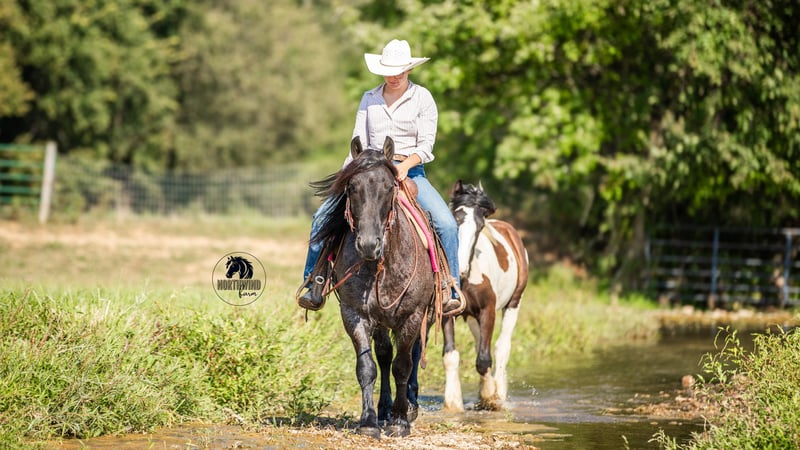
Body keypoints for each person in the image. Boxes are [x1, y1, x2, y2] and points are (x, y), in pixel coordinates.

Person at [298, 38, 461, 313]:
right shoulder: (369, 98)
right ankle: (315, 282)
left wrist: (404, 166)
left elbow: (425, 146)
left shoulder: (422, 98)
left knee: (447, 224)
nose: (393, 76)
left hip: (409, 171)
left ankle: (450, 286)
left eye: (399, 71)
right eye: (388, 70)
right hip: (368, 170)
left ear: (409, 69)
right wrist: (347, 174)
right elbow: (357, 140)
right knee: (321, 217)